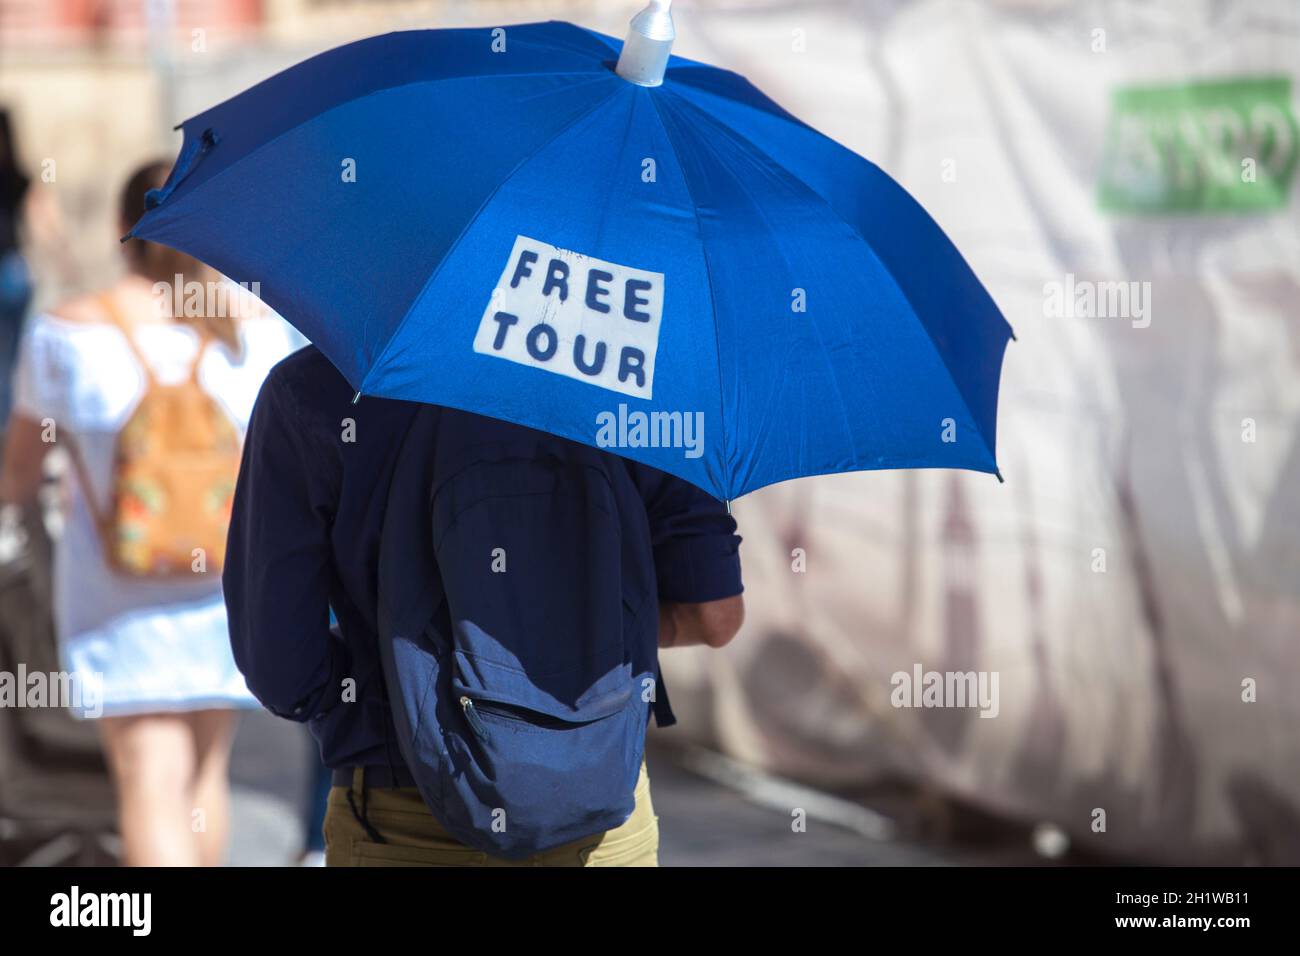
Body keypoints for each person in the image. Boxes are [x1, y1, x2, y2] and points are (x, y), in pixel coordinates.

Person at [224, 348, 745, 866]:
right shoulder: (642, 379)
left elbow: (282, 670)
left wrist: (390, 698)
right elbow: (715, 616)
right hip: (603, 810)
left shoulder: (314, 388)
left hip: (401, 818)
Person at [0, 161, 296, 866]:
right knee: (202, 776)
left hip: (114, 594)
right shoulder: (255, 329)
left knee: (148, 777)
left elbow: (17, 472)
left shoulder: (66, 333)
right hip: (227, 583)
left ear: (121, 229)